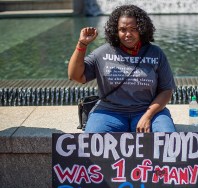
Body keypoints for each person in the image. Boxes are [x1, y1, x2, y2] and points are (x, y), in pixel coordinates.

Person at [68, 4, 176, 133]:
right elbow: (75, 76)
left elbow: (166, 90)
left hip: (148, 110)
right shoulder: (103, 52)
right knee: (92, 142)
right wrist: (82, 44)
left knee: (168, 138)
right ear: (116, 31)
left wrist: (148, 115)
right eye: (123, 29)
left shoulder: (155, 53)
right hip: (108, 112)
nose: (128, 34)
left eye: (133, 29)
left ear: (142, 29)